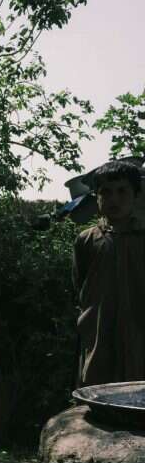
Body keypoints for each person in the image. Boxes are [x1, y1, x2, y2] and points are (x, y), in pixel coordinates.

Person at [72, 160, 145, 386]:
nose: (114, 199)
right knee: (96, 396)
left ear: (136, 195)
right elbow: (80, 287)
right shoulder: (87, 240)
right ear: (97, 198)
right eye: (106, 192)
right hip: (99, 336)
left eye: (122, 191)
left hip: (140, 335)